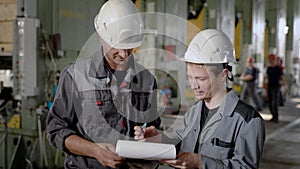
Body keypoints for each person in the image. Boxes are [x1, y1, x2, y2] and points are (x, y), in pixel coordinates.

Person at [46, 0, 161, 168]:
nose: (123, 54)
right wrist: (95, 151)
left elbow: (154, 129)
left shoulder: (147, 80)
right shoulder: (75, 76)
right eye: (117, 46)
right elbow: (55, 130)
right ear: (100, 36)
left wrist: (153, 136)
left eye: (129, 47)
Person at [135, 29, 266, 169]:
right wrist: (158, 138)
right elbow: (178, 143)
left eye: (201, 79)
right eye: (190, 77)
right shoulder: (193, 112)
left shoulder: (248, 120)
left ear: (223, 75)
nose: (193, 85)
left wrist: (200, 163)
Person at [266, 54, 285, 123]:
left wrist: (283, 85)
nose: (271, 61)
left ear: (275, 60)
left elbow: (282, 78)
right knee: (270, 102)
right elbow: (267, 77)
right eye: (270, 60)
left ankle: (276, 117)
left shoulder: (278, 69)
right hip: (270, 86)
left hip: (276, 87)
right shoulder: (269, 68)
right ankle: (273, 116)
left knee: (275, 102)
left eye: (272, 60)